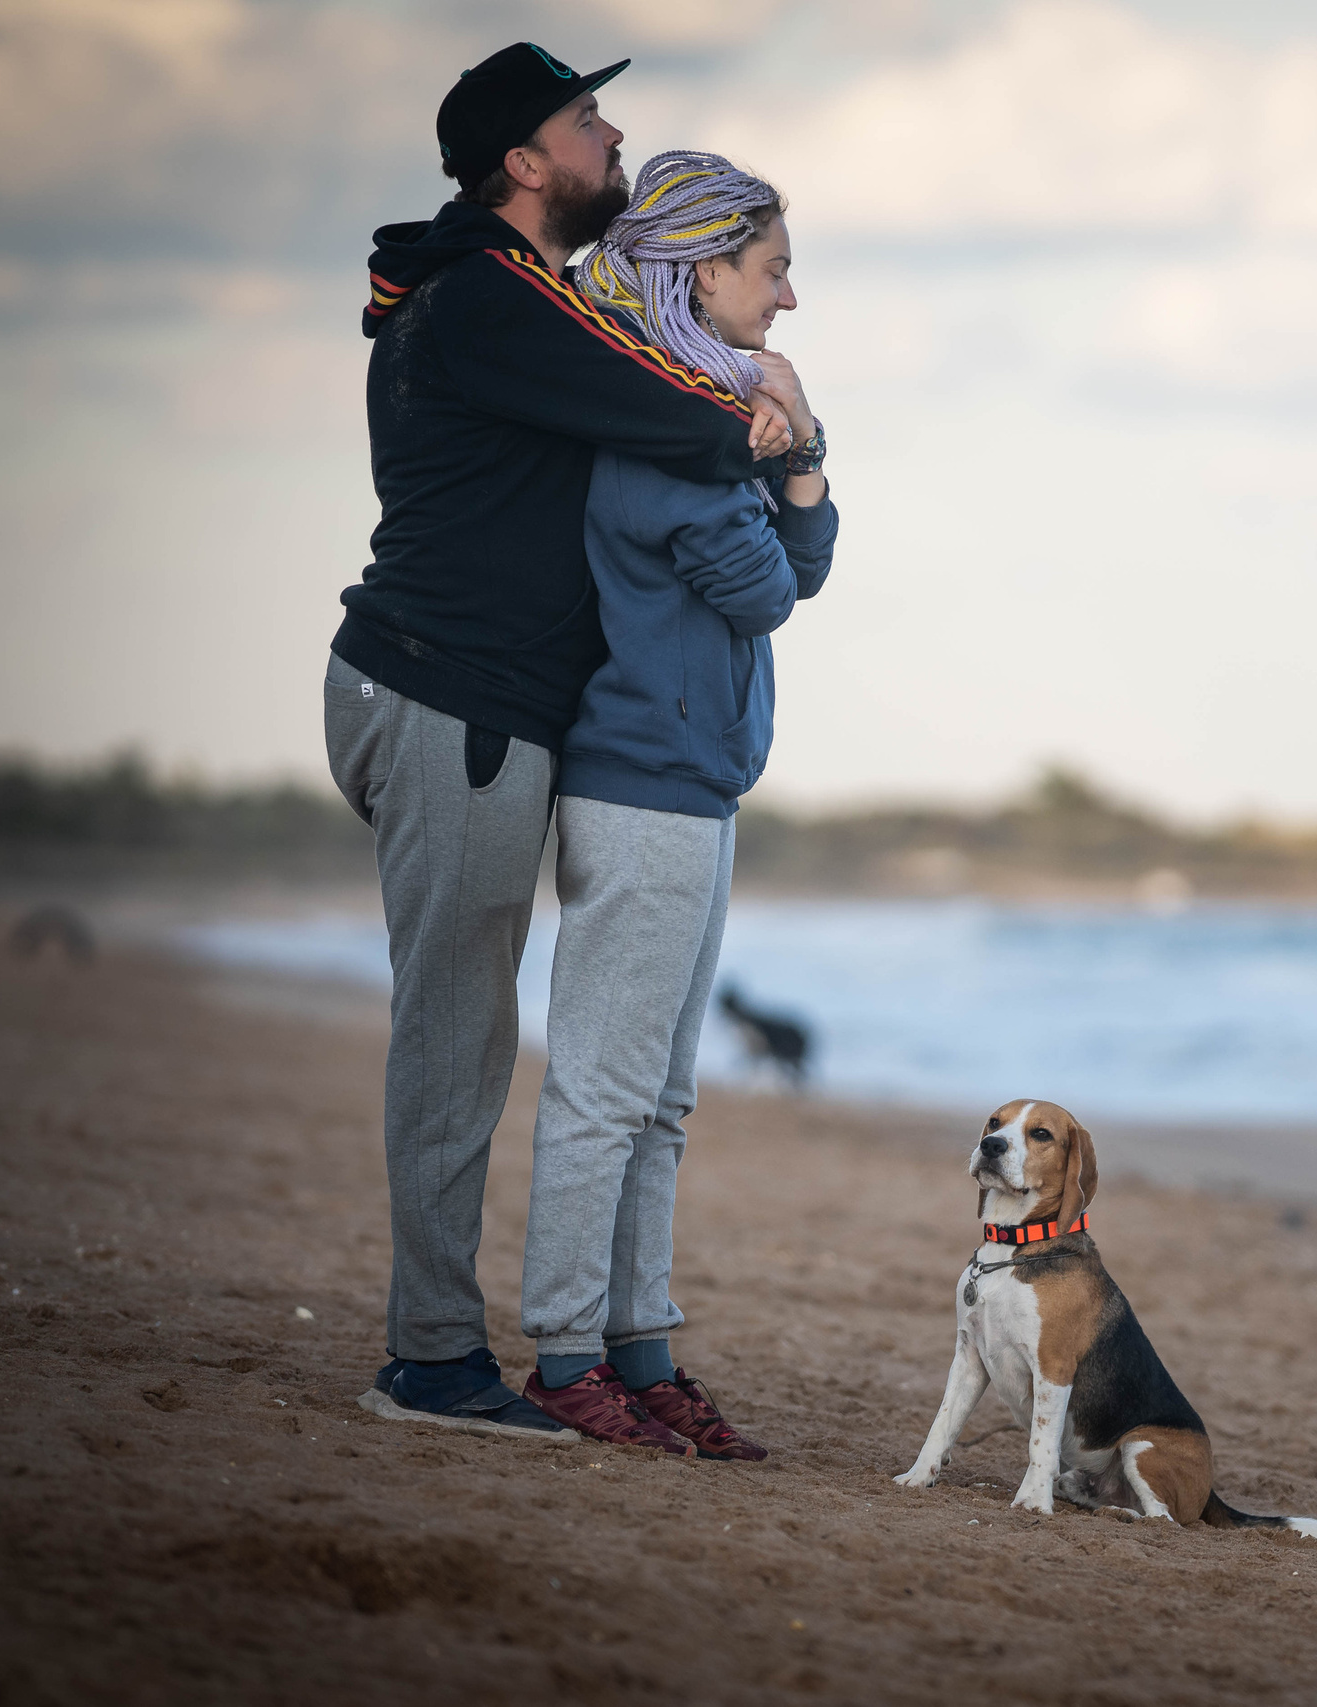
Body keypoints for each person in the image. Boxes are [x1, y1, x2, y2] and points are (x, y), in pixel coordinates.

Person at [326, 44, 802, 1442]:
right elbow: (665, 409)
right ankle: (429, 1364)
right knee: (461, 1036)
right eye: (585, 121)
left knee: (472, 1030)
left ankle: (484, 1349)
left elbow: (649, 389)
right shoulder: (486, 298)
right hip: (444, 695)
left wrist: (751, 417)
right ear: (524, 164)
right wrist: (772, 412)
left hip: (458, 700)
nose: (612, 137)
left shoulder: (502, 295)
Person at [511, 152, 837, 1457]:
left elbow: (800, 559)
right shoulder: (661, 424)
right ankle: (565, 1362)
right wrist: (773, 449)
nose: (792, 298)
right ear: (703, 269)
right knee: (603, 1090)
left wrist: (795, 445)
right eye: (773, 269)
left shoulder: (706, 417)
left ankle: (640, 1358)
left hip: (692, 785)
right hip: (639, 781)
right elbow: (765, 591)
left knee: (661, 1097)